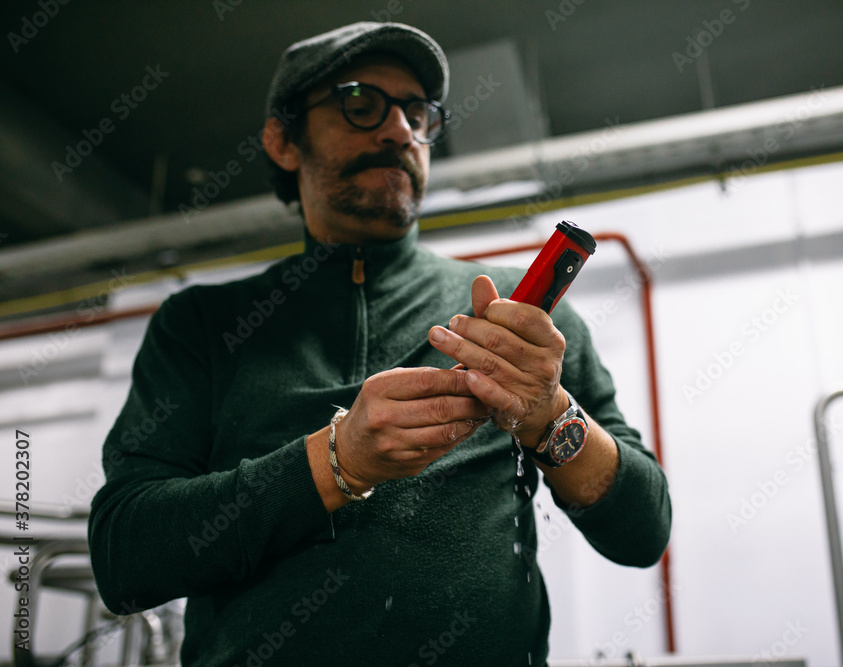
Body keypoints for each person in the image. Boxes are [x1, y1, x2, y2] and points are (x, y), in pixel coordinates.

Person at [88, 22, 671, 666]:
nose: (398, 132)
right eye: (360, 104)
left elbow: (644, 530)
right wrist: (339, 461)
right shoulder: (203, 324)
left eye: (416, 112)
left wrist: (548, 415)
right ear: (283, 141)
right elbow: (125, 556)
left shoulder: (518, 321)